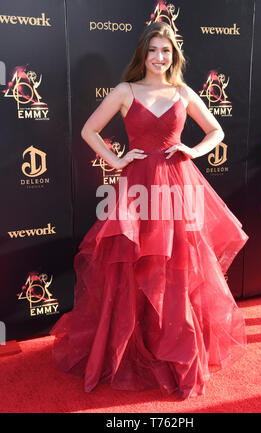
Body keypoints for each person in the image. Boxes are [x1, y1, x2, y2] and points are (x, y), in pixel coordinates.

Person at [50, 21, 249, 399]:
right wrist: (116, 158)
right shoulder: (125, 91)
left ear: (174, 56)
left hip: (177, 184)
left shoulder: (182, 92)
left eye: (167, 51)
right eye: (154, 50)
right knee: (132, 263)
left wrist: (193, 149)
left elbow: (216, 131)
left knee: (177, 266)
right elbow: (89, 130)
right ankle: (130, 346)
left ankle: (176, 349)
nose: (160, 58)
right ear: (143, 53)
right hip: (138, 187)